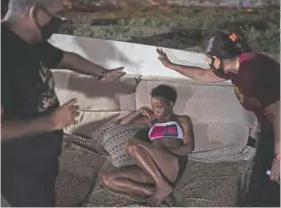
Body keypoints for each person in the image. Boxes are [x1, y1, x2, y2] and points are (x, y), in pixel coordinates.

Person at [1, 0, 126, 206]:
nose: (58, 22)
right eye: (56, 15)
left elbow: (64, 58)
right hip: (19, 167)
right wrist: (52, 122)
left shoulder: (30, 40)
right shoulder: (4, 51)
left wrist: (101, 72)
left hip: (43, 159)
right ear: (33, 13)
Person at [156, 29, 280, 207]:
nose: (207, 61)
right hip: (270, 131)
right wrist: (171, 65)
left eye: (209, 57)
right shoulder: (232, 67)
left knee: (271, 190)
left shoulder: (252, 71)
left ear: (219, 57)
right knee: (256, 191)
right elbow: (203, 75)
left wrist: (278, 158)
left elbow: (279, 115)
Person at [100, 85, 194, 206]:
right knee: (106, 179)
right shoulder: (150, 121)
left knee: (132, 144)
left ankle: (162, 186)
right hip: (151, 169)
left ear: (170, 104)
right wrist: (139, 111)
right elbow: (120, 124)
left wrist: (163, 152)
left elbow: (189, 147)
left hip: (170, 165)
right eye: (153, 107)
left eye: (159, 107)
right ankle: (158, 191)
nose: (155, 111)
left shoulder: (182, 120)